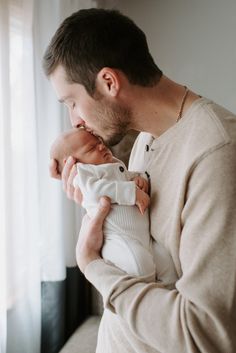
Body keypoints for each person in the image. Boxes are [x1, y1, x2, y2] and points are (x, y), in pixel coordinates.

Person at [43, 8, 236, 353]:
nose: (74, 121)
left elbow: (203, 334)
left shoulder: (217, 153)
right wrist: (96, 205)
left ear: (109, 82)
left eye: (72, 102)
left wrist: (92, 265)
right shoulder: (145, 139)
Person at [50, 127, 161, 279]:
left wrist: (137, 179)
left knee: (165, 261)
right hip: (121, 240)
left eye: (99, 142)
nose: (102, 146)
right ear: (73, 162)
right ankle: (147, 293)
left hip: (144, 236)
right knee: (141, 265)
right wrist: (131, 192)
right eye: (91, 148)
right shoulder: (84, 173)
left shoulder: (111, 164)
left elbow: (126, 177)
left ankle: (167, 289)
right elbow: (95, 191)